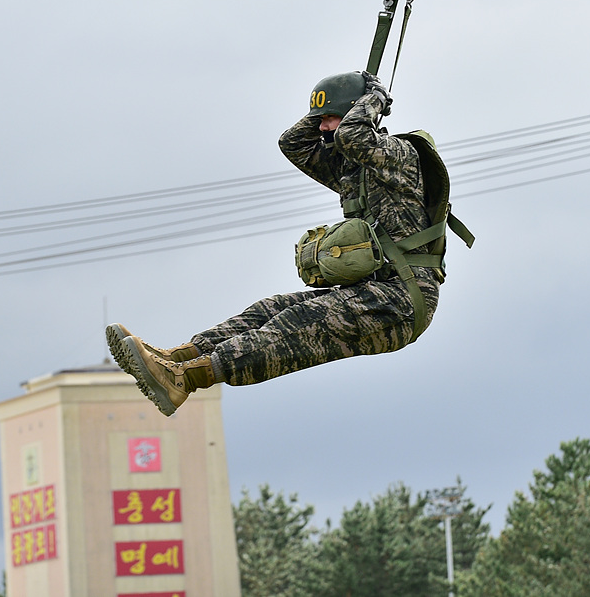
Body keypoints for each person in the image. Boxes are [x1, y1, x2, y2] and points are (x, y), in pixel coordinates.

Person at [107, 71, 443, 416]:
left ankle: (184, 379)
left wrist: (371, 100)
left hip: (402, 298)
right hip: (374, 290)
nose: (323, 128)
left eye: (329, 118)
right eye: (321, 120)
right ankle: (180, 357)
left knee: (296, 323)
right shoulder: (352, 168)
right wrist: (323, 110)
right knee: (271, 309)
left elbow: (354, 134)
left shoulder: (399, 155)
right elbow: (293, 145)